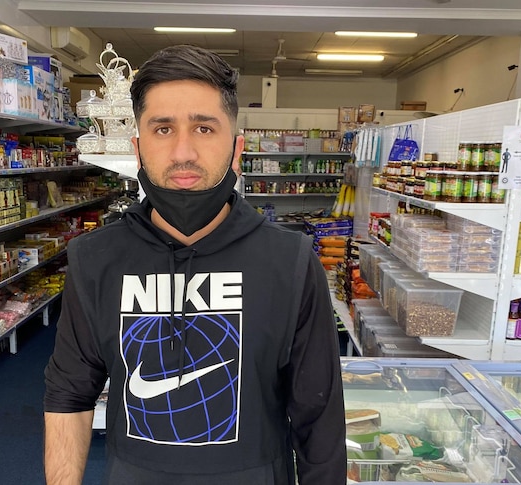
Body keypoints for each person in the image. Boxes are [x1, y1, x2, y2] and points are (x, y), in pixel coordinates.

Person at [43, 44, 346, 485]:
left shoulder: (291, 263)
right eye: (162, 129)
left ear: (237, 148)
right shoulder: (95, 259)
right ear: (138, 146)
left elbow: (319, 418)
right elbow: (69, 392)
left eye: (204, 128)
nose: (183, 151)